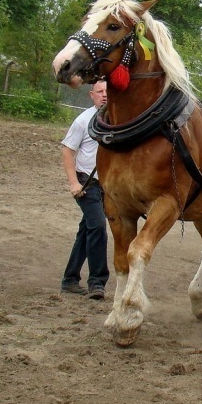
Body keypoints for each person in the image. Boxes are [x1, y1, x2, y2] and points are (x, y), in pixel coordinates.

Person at [60, 80, 109, 300]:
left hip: (106, 186)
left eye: (108, 91)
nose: (104, 95)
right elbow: (68, 151)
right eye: (100, 92)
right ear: (92, 95)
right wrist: (73, 183)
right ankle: (97, 282)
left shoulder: (116, 120)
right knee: (98, 227)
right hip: (86, 184)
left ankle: (70, 279)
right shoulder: (83, 121)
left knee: (87, 231)